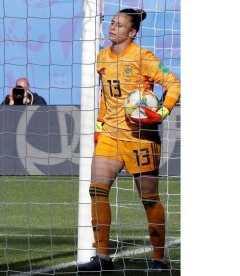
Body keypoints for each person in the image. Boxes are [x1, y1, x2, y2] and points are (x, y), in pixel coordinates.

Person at [78, 8, 180, 272]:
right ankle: (102, 257)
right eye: (112, 23)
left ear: (132, 32)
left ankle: (159, 259)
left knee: (148, 198)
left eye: (120, 25)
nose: (113, 27)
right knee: (97, 189)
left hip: (140, 138)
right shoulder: (102, 58)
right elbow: (105, 97)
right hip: (111, 135)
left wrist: (161, 113)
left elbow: (174, 84)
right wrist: (100, 127)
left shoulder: (143, 57)